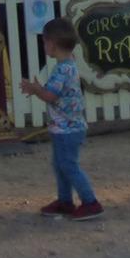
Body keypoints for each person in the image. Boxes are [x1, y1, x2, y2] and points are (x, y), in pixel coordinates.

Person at [21, 17, 102, 220]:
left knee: (68, 165)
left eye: (45, 41)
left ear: (52, 43)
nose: (44, 45)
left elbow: (50, 96)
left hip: (68, 128)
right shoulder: (69, 64)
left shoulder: (62, 69)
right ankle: (65, 201)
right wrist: (39, 89)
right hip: (65, 127)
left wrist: (36, 89)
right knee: (61, 164)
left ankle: (90, 201)